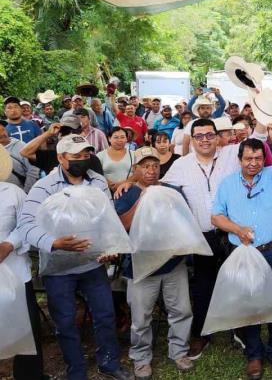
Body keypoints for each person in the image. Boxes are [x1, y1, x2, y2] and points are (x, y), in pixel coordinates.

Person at [15, 135, 133, 380]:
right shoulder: (44, 186)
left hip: (93, 263)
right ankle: (76, 371)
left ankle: (109, 363)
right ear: (60, 158)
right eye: (75, 156)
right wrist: (54, 243)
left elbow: (107, 219)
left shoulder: (98, 182)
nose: (82, 160)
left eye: (86, 155)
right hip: (59, 269)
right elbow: (26, 225)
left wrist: (109, 247)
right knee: (66, 322)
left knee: (104, 314)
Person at [212, 130, 272, 379]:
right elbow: (216, 216)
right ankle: (254, 355)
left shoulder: (271, 175)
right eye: (248, 158)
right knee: (248, 302)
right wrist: (237, 229)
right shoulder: (227, 183)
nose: (253, 163)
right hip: (243, 252)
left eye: (258, 158)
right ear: (240, 159)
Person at [162, 118, 246, 358]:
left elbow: (258, 139)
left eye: (210, 135)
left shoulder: (231, 154)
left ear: (217, 136)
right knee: (203, 286)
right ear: (192, 139)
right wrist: (132, 183)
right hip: (201, 235)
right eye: (199, 136)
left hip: (231, 233)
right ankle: (201, 334)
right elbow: (162, 191)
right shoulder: (181, 165)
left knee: (237, 282)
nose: (205, 140)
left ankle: (240, 330)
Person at [114, 147, 194, 379]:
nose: (151, 170)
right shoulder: (126, 193)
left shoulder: (170, 191)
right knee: (140, 318)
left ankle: (179, 351)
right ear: (135, 169)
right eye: (145, 166)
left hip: (172, 264)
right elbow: (123, 227)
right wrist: (142, 199)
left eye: (155, 166)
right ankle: (141, 358)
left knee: (181, 310)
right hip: (140, 267)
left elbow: (184, 222)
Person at [0, 146, 45, 380]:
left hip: (15, 270)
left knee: (26, 328)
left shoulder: (13, 192)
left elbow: (27, 223)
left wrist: (8, 244)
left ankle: (30, 376)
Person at [0, 123, 40, 193]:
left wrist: (26, 192)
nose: (1, 134)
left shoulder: (21, 146)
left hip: (21, 193)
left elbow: (33, 169)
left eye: (2, 130)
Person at [97, 127, 135, 192]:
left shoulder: (134, 154)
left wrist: (123, 184)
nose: (119, 140)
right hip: (106, 191)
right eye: (116, 137)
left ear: (126, 139)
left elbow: (138, 174)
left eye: (122, 137)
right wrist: (107, 183)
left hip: (128, 191)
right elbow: (96, 174)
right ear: (109, 139)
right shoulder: (100, 155)